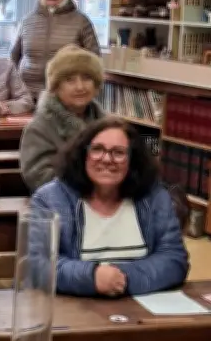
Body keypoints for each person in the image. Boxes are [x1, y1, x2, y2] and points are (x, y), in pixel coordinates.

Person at [29, 117, 189, 297]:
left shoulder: (154, 197)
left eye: (118, 152)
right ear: (83, 155)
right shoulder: (50, 199)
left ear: (132, 160)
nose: (107, 159)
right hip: (73, 312)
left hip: (140, 311)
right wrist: (91, 277)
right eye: (97, 150)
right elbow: (39, 265)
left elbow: (174, 259)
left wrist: (120, 279)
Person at [20, 45, 105, 191]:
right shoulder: (39, 127)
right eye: (70, 80)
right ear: (56, 87)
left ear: (96, 85)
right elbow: (39, 178)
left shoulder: (108, 124)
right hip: (59, 206)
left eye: (86, 78)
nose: (80, 87)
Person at [11, 0, 101, 98]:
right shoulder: (27, 21)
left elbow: (94, 58)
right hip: (28, 93)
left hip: (65, 95)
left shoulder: (81, 21)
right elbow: (14, 56)